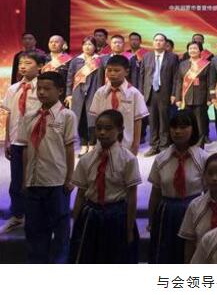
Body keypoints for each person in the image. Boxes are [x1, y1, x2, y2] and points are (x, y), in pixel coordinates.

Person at [69, 109, 140, 263]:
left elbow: (132, 196)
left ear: (120, 130)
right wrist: (76, 223)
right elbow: (80, 194)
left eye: (108, 128)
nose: (102, 132)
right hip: (91, 216)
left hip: (117, 216)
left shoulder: (128, 159)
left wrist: (129, 229)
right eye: (99, 128)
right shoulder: (87, 159)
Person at [21, 71, 76, 263]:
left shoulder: (67, 116)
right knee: (34, 229)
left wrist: (69, 178)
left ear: (60, 91)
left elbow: (69, 149)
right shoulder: (29, 116)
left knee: (60, 229)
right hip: (33, 180)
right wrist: (24, 178)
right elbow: (26, 148)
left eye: (47, 89)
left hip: (56, 182)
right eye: (39, 89)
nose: (42, 92)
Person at [148, 110, 209, 263]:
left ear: (193, 129)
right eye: (174, 127)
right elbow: (155, 193)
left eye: (183, 127)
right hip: (167, 214)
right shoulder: (161, 159)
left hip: (194, 211)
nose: (177, 131)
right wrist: (151, 220)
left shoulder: (203, 158)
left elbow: (209, 192)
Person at [0, 51, 43, 234]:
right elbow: (10, 114)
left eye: (28, 63)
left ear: (40, 66)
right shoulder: (14, 89)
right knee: (17, 181)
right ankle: (17, 216)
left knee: (36, 181)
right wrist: (8, 140)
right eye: (20, 63)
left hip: (37, 143)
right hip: (17, 142)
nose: (23, 66)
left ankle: (36, 218)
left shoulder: (43, 88)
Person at [178, 152, 217, 262]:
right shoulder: (195, 206)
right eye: (210, 174)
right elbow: (189, 242)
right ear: (203, 175)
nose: (215, 178)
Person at [89, 55, 148, 156]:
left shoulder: (134, 94)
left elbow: (137, 121)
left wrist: (135, 146)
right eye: (109, 70)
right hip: (103, 144)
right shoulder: (100, 93)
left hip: (126, 145)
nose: (112, 73)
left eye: (117, 70)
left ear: (126, 72)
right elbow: (97, 119)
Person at [140, 33, 179, 156]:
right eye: (156, 40)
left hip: (165, 92)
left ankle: (164, 146)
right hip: (150, 92)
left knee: (164, 120)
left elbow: (176, 77)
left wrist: (174, 93)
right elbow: (142, 76)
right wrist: (141, 93)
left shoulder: (172, 57)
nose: (158, 42)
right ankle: (154, 146)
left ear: (165, 43)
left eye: (161, 40)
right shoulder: (146, 56)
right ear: (153, 42)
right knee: (152, 121)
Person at [66, 36, 104, 157]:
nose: (87, 47)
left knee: (92, 119)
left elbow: (102, 79)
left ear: (95, 47)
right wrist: (69, 94)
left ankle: (92, 144)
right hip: (78, 93)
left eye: (90, 44)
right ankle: (83, 145)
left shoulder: (99, 60)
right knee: (80, 119)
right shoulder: (76, 61)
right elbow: (70, 78)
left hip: (94, 91)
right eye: (85, 44)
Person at [174, 41, 211, 147]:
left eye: (195, 48)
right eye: (190, 48)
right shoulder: (182, 64)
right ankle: (188, 144)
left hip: (201, 98)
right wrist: (178, 98)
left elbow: (210, 82)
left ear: (200, 51)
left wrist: (209, 98)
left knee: (200, 124)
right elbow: (179, 82)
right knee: (187, 123)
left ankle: (199, 146)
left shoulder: (206, 64)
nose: (192, 50)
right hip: (186, 98)